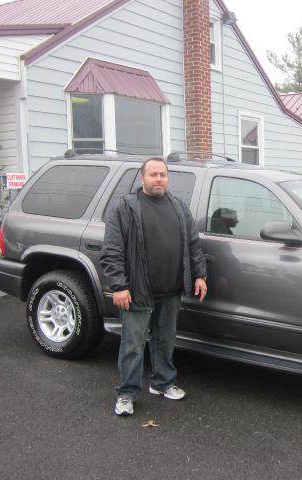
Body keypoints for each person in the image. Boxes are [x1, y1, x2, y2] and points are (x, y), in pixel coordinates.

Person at [101, 157, 207, 416]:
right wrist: (119, 286)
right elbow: (112, 251)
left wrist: (200, 275)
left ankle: (163, 383)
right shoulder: (125, 208)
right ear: (142, 178)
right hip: (137, 290)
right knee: (132, 344)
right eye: (153, 175)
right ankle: (127, 393)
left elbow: (193, 245)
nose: (159, 179)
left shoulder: (179, 206)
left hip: (170, 289)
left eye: (163, 174)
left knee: (165, 340)